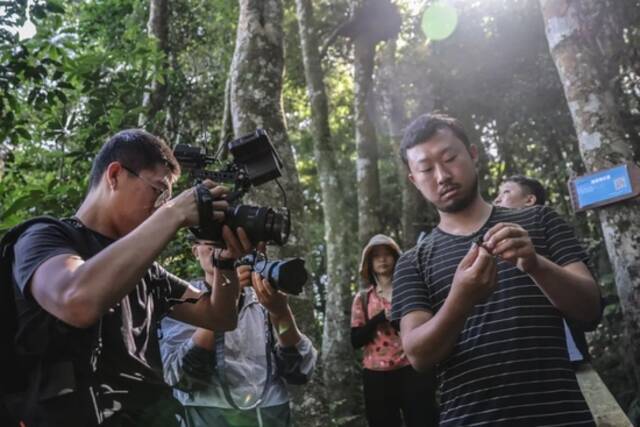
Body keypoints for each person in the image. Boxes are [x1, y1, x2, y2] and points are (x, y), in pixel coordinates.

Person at [7, 129, 253, 426]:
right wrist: (173, 214)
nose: (162, 205)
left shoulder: (145, 270)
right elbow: (76, 299)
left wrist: (224, 264)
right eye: (159, 191)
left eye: (168, 199)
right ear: (114, 175)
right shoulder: (45, 237)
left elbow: (219, 316)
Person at [391, 113, 602, 426]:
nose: (442, 175)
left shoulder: (539, 221)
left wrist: (535, 264)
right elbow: (418, 355)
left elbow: (590, 310)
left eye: (450, 158)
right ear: (414, 180)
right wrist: (460, 299)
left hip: (561, 416)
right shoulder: (413, 261)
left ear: (473, 154)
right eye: (425, 169)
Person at [160, 239, 317, 427]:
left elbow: (299, 371)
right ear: (195, 251)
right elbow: (179, 376)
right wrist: (226, 299)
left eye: (227, 241)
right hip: (209, 415)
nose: (220, 249)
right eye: (212, 241)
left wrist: (280, 313)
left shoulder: (263, 296)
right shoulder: (182, 301)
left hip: (270, 413)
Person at [494, 175, 591, 366]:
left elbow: (584, 293)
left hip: (561, 347)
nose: (497, 199)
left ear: (529, 200)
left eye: (505, 192)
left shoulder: (544, 218)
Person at [350, 234, 438, 427]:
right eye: (376, 256)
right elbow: (356, 339)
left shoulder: (411, 289)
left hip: (412, 368)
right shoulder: (363, 298)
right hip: (377, 376)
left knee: (424, 420)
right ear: (369, 263)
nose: (382, 259)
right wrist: (377, 320)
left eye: (387, 254)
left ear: (396, 258)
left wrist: (397, 321)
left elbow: (428, 324)